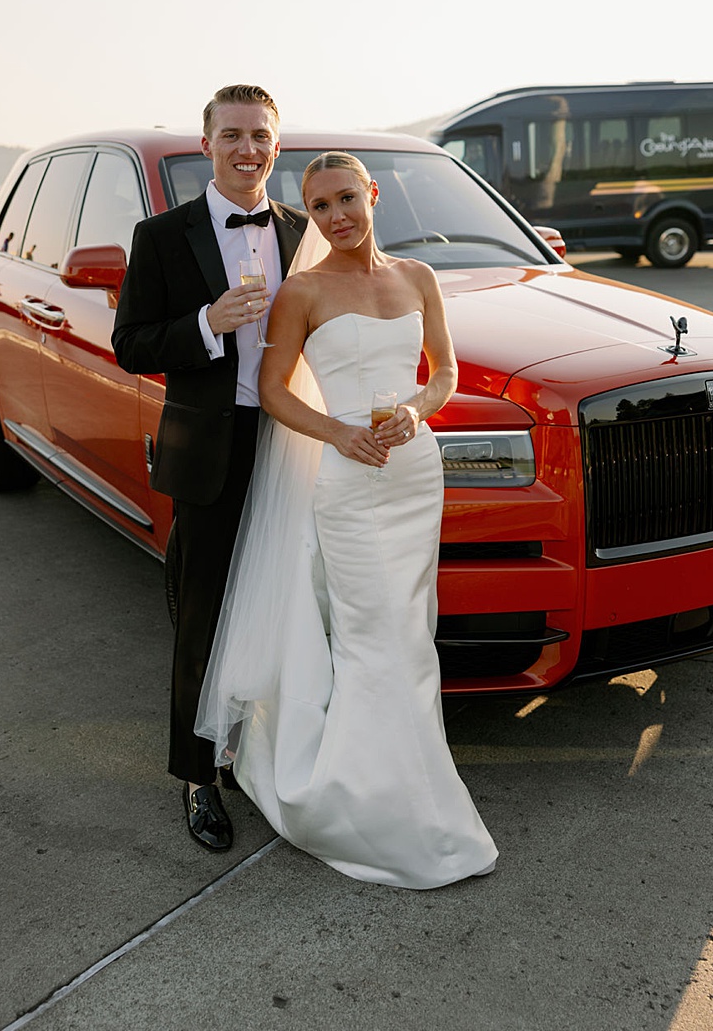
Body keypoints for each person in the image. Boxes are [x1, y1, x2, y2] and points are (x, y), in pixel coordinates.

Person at [195, 151, 497, 888]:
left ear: (373, 195)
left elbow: (444, 372)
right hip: (349, 480)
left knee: (412, 632)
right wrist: (337, 432)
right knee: (373, 637)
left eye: (345, 199)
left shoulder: (418, 278)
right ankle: (368, 803)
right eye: (319, 206)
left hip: (414, 473)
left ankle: (414, 790)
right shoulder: (302, 290)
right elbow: (273, 392)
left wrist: (417, 413)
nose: (335, 217)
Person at [112, 84, 308, 852]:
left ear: (276, 146)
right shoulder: (161, 236)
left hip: (294, 444)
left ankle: (269, 753)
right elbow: (132, 342)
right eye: (232, 134)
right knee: (204, 614)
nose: (247, 149)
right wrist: (205, 323)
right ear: (207, 144)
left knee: (290, 607)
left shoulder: (303, 232)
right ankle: (198, 777)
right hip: (210, 450)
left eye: (259, 135)